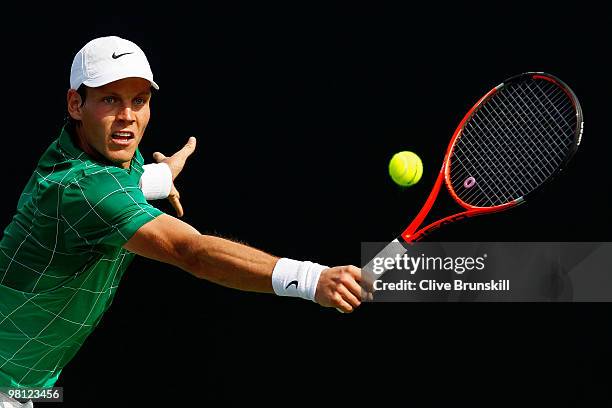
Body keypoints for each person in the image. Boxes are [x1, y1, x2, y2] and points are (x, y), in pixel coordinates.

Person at [0, 36, 365, 400]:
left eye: (139, 101)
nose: (128, 116)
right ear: (75, 104)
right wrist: (311, 279)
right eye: (110, 99)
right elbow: (191, 252)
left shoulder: (99, 153)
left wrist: (158, 178)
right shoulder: (82, 188)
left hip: (27, 384)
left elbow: (117, 188)